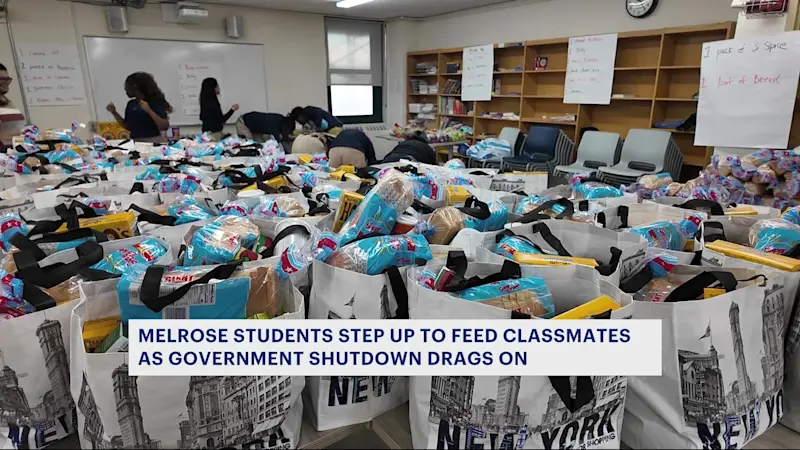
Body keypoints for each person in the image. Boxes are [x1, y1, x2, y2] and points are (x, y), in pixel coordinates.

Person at [106, 72, 171, 143]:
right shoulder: (131, 104)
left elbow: (164, 126)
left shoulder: (154, 102)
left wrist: (149, 111)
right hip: (136, 142)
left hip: (153, 141)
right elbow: (128, 126)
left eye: (127, 86)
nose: (125, 89)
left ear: (135, 86)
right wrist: (114, 112)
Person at [0, 64, 25, 147]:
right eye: (2, 79)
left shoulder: (7, 101)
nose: (7, 82)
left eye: (7, 79)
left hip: (17, 149)